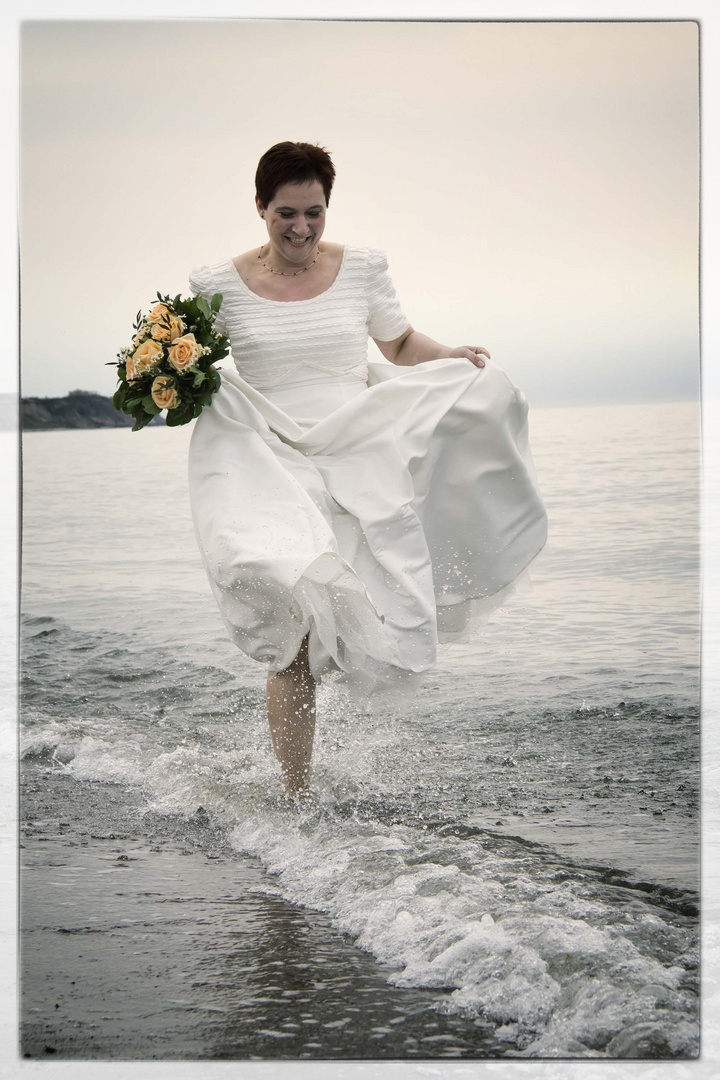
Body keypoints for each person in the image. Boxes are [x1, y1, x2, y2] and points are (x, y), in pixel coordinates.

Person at [188, 141, 547, 800]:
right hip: (267, 461)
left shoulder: (361, 270)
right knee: (289, 622)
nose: (301, 229)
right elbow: (193, 366)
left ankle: (307, 775)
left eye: (314, 214)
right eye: (286, 214)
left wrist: (451, 355)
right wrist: (163, 374)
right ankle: (297, 796)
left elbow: (401, 343)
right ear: (261, 207)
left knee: (358, 602)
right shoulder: (216, 286)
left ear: (328, 207)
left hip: (355, 451)